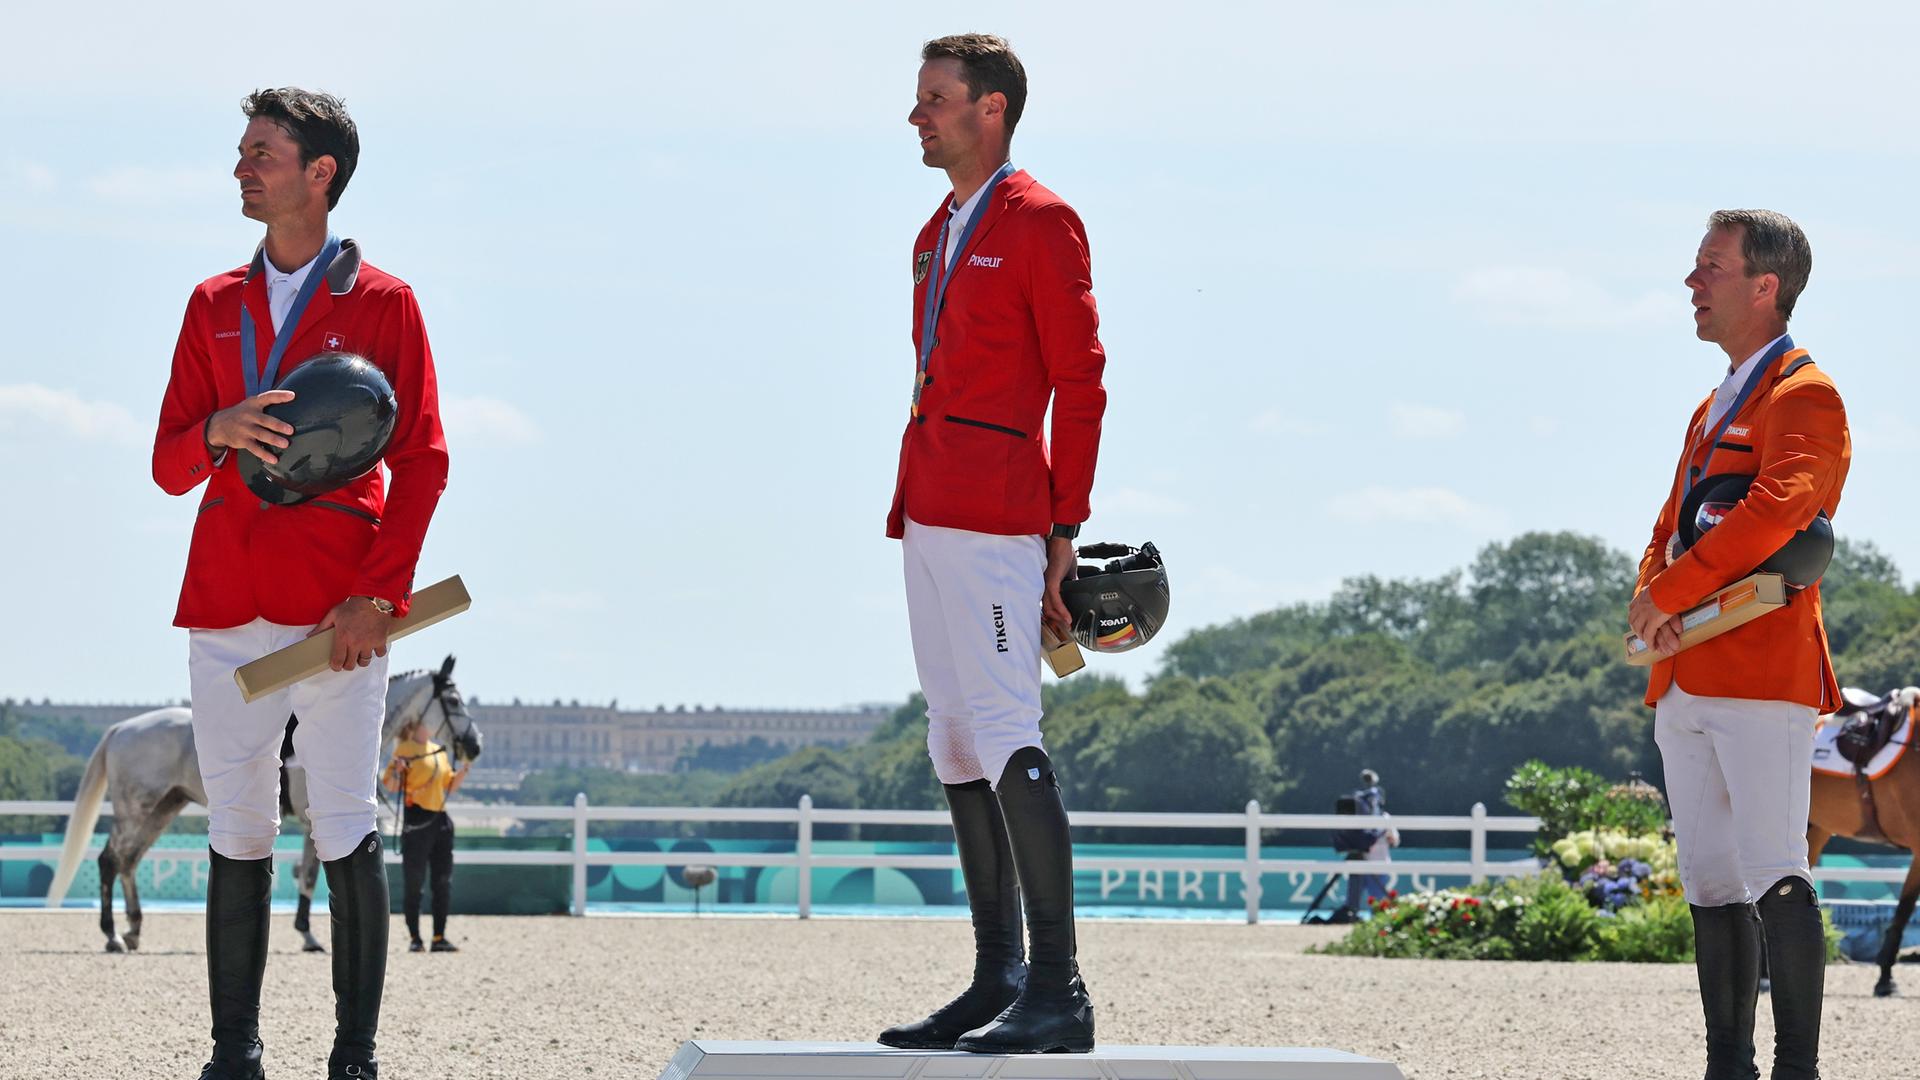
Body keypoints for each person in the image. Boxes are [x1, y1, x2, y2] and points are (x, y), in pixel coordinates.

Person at [152, 88, 449, 1080]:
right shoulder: (211, 305)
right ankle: (234, 1051)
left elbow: (426, 461)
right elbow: (166, 463)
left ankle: (353, 1057)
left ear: (319, 172)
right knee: (237, 830)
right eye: (241, 152)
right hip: (225, 602)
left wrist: (380, 597)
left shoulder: (386, 302)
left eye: (262, 152)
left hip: (337, 612)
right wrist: (214, 433)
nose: (243, 167)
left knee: (345, 821)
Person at [878, 33, 1106, 1057]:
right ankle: (996, 976)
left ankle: (1060, 990)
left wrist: (1064, 528)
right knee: (955, 740)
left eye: (935, 99)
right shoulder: (935, 232)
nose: (917, 116)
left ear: (992, 112)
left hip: (1004, 514)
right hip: (927, 509)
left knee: (1011, 729)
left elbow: (1083, 381)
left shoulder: (1044, 222)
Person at [1628, 209, 1848, 1080]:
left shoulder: (1806, 393)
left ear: (1766, 286)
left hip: (1762, 670)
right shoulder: (1711, 402)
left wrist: (1673, 592)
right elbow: (1672, 519)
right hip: (1685, 673)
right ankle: (1730, 1066)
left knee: (1773, 868)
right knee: (1709, 882)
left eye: (1710, 267)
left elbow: (1779, 513)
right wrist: (1651, 598)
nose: (1692, 283)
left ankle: (1797, 1069)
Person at [383, 716, 469, 953]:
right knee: (414, 882)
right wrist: (398, 770)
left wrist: (464, 771)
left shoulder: (439, 751)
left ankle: (439, 936)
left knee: (443, 882)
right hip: (417, 820)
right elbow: (390, 784)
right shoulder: (405, 749)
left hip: (440, 819)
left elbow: (449, 785)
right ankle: (415, 937)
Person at [1341, 770, 1398, 917]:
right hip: (1360, 862)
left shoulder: (1384, 818)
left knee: (1378, 903)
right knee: (1352, 904)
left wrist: (1383, 834)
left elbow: (1394, 840)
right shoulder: (1356, 818)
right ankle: (1350, 919)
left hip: (1378, 865)